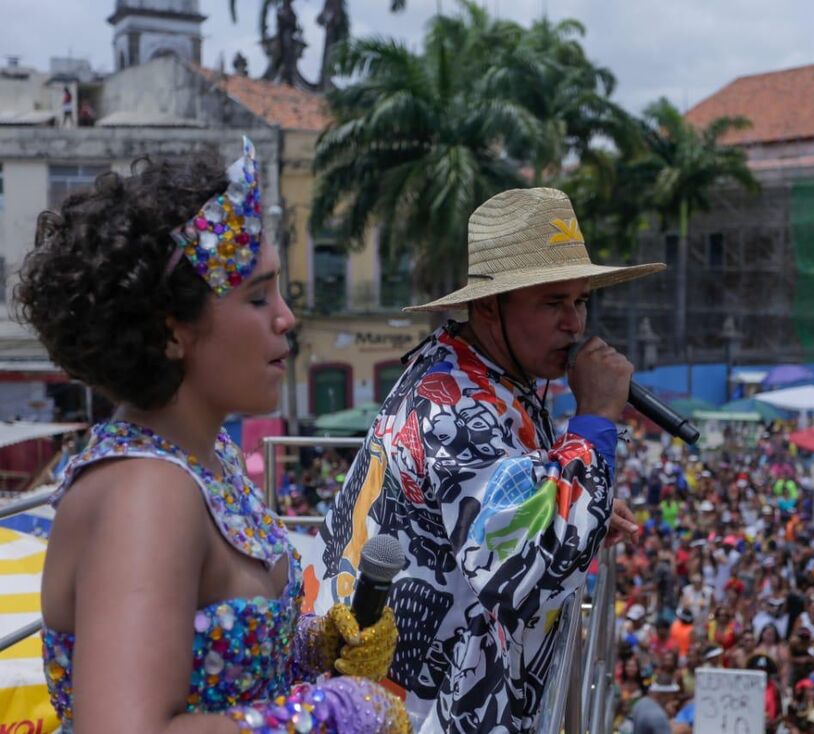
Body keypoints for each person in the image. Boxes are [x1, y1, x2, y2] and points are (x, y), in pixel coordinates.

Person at [18, 139, 406, 732]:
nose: (286, 317)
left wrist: (309, 648)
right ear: (171, 331)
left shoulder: (207, 457)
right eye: (257, 297)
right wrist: (329, 714)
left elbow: (212, 656)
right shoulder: (145, 494)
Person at [312, 187, 664, 732]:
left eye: (580, 300)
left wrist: (576, 508)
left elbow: (509, 499)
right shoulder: (453, 405)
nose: (574, 323)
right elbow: (524, 573)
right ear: (487, 307)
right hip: (409, 710)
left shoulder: (482, 372)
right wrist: (594, 419)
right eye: (552, 303)